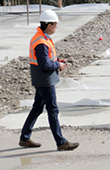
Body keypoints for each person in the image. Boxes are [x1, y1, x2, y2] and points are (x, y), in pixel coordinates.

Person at [19, 9, 79, 150]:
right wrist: (59, 65)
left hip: (41, 79)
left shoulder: (41, 37)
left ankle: (24, 138)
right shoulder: (41, 42)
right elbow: (45, 65)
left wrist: (57, 61)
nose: (56, 27)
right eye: (55, 25)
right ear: (50, 25)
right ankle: (61, 142)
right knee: (52, 110)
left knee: (37, 108)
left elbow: (46, 60)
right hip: (45, 80)